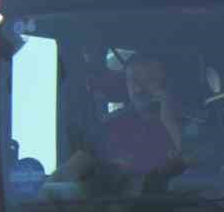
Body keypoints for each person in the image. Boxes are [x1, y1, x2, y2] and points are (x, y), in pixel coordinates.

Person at [56, 54, 184, 180]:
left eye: (149, 80)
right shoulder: (110, 127)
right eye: (134, 80)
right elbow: (67, 173)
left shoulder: (191, 124)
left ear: (166, 84)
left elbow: (186, 169)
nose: (139, 89)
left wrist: (169, 120)